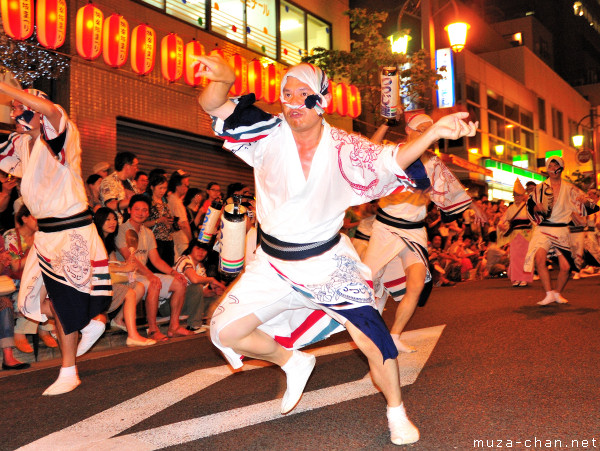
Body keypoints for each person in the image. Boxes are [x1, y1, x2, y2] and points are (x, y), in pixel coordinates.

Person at [196, 54, 477, 445]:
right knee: (224, 331)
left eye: (303, 94)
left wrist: (430, 135)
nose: (292, 103)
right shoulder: (266, 134)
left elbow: (392, 159)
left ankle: (396, 411)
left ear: (322, 101)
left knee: (372, 338)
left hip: (327, 263)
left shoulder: (346, 148)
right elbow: (214, 105)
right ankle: (293, 361)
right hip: (272, 263)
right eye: (286, 94)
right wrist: (223, 79)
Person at [0, 83, 111, 395]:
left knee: (62, 302)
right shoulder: (21, 143)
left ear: (35, 108)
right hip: (45, 235)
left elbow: (50, 111)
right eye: (12, 107)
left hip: (71, 231)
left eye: (19, 106)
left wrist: (5, 86)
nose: (14, 111)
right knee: (33, 302)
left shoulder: (61, 133)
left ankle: (68, 370)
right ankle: (89, 321)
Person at [364, 114, 485, 353]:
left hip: (415, 231)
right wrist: (386, 123)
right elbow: (369, 149)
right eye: (422, 128)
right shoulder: (393, 152)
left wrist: (474, 205)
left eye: (431, 129)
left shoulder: (432, 162)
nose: (428, 131)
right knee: (367, 282)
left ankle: (395, 336)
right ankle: (367, 329)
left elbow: (453, 189)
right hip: (386, 227)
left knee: (417, 284)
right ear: (408, 129)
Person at [115, 194, 192, 341]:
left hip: (142, 274)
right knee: (154, 283)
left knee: (180, 282)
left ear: (148, 213)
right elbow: (130, 258)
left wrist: (173, 272)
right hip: (127, 275)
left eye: (144, 210)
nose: (141, 213)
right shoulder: (122, 230)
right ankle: (152, 329)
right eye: (137, 209)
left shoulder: (148, 232)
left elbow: (155, 259)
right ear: (129, 210)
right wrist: (150, 275)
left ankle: (173, 327)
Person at [524, 156, 599, 305]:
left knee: (565, 267)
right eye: (550, 166)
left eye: (555, 165)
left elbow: (589, 205)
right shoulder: (540, 188)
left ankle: (556, 293)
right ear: (547, 169)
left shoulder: (570, 188)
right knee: (540, 259)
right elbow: (529, 207)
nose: (552, 168)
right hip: (543, 228)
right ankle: (548, 293)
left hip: (561, 230)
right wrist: (535, 208)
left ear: (561, 168)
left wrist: (584, 202)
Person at [93, 207, 155, 347]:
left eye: (114, 219)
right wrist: (124, 267)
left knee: (139, 287)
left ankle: (118, 319)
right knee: (130, 292)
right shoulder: (94, 241)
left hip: (109, 281)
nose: (112, 222)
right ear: (99, 221)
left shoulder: (109, 241)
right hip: (96, 284)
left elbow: (113, 263)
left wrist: (125, 264)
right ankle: (133, 336)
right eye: (108, 219)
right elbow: (97, 266)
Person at [4, 206, 57, 352]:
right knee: (35, 288)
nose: (39, 220)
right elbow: (14, 266)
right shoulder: (11, 236)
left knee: (49, 286)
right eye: (35, 216)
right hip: (16, 282)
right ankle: (20, 332)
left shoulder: (41, 235)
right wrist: (35, 254)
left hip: (36, 279)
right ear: (24, 218)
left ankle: (45, 329)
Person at [172, 240, 226, 333]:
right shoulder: (184, 259)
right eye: (198, 248)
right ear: (191, 249)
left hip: (185, 303)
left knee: (217, 299)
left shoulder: (200, 267)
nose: (201, 252)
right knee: (195, 287)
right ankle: (194, 325)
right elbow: (194, 280)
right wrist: (212, 280)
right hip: (171, 304)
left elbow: (203, 293)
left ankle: (216, 323)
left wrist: (216, 292)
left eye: (204, 250)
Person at [497, 179, 533, 287]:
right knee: (515, 257)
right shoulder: (510, 209)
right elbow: (502, 220)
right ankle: (516, 278)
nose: (517, 198)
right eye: (515, 196)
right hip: (514, 235)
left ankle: (525, 278)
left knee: (525, 257)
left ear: (523, 196)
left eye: (519, 196)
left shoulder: (528, 207)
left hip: (526, 235)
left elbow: (534, 221)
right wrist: (500, 225)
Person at [99, 151, 139, 222]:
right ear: (127, 166)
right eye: (135, 165)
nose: (137, 169)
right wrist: (134, 200)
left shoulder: (132, 183)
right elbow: (111, 205)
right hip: (116, 225)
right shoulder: (109, 181)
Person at [167, 170, 193, 260]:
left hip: (175, 239)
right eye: (186, 185)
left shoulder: (170, 199)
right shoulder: (176, 202)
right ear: (177, 186)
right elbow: (184, 224)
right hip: (181, 240)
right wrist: (191, 240)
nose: (187, 188)